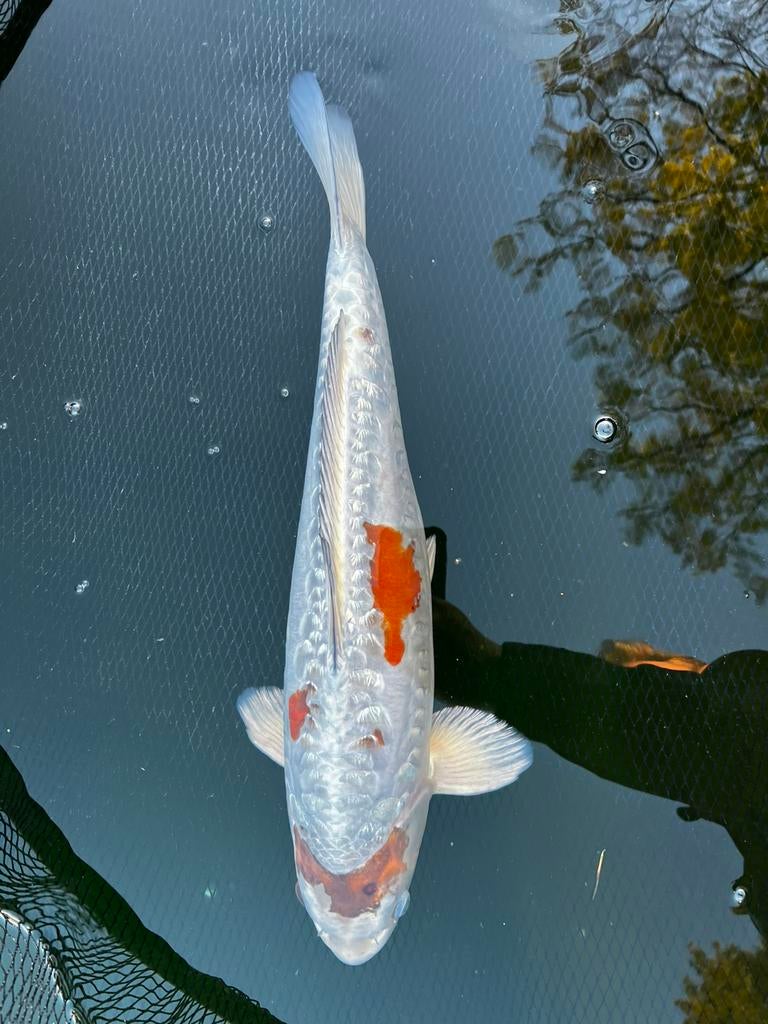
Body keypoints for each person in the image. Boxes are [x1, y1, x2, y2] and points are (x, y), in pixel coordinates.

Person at [426, 527, 768, 942]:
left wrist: (490, 676)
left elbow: (660, 719)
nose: (643, 690)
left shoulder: (733, 730)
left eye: (643, 676)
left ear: (689, 668)